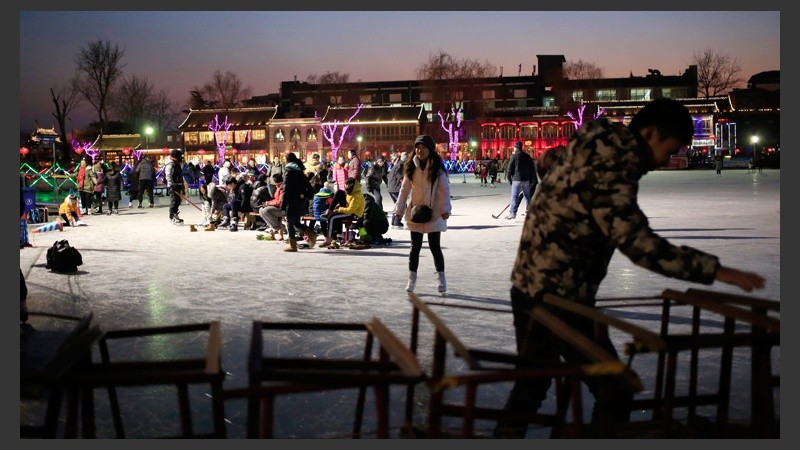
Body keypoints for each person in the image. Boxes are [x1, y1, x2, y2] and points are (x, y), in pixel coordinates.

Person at [494, 98, 766, 438]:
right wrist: (716, 271)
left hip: (535, 284)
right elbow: (637, 242)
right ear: (650, 133)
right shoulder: (612, 163)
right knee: (613, 388)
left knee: (533, 386)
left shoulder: (599, 147)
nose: (667, 161)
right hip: (557, 296)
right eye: (669, 150)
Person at [393, 134, 452, 293]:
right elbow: (404, 190)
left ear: (430, 149)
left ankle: (441, 277)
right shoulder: (411, 168)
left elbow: (444, 191)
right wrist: (398, 210)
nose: (420, 150)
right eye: (417, 147)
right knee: (415, 247)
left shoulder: (438, 169)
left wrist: (445, 209)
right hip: (416, 212)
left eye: (423, 147)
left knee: (435, 247)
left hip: (434, 212)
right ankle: (412, 278)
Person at [280, 152, 316, 251]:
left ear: (287, 160)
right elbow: (309, 188)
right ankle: (311, 234)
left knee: (290, 222)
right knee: (295, 222)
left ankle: (293, 245)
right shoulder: (300, 171)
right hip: (300, 201)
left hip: (291, 201)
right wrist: (303, 196)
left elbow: (286, 190)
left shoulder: (288, 172)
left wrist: (283, 206)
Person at [321, 177, 365, 249]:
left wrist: (339, 210)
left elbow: (350, 210)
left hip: (354, 213)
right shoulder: (350, 192)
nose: (345, 187)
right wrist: (335, 208)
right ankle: (329, 211)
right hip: (347, 209)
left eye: (346, 185)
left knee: (332, 217)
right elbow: (346, 202)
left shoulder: (357, 195)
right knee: (339, 192)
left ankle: (329, 239)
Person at [504, 141, 536, 220]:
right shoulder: (527, 156)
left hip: (517, 180)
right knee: (528, 197)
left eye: (514, 147)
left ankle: (512, 213)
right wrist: (532, 179)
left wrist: (509, 179)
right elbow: (532, 168)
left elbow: (509, 169)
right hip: (526, 180)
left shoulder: (514, 156)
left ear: (516, 147)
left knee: (514, 197)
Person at [164, 149, 185, 224]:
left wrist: (182, 184)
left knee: (178, 201)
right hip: (173, 185)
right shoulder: (170, 164)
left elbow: (180, 174)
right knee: (174, 201)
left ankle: (175, 214)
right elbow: (168, 175)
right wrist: (170, 184)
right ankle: (172, 216)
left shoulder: (177, 163)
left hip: (178, 184)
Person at [387, 150, 407, 228]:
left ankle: (394, 220)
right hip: (395, 188)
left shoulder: (399, 164)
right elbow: (397, 173)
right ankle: (396, 221)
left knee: (398, 204)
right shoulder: (400, 164)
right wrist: (402, 178)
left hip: (393, 187)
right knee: (401, 204)